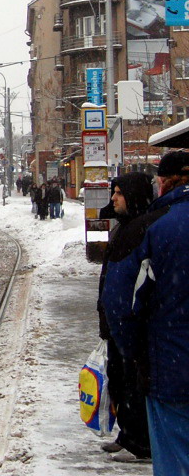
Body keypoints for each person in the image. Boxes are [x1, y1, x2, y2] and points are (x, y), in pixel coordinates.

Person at [104, 150, 189, 474]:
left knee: (175, 457)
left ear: (164, 184)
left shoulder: (154, 227)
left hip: (172, 368)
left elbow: (120, 305)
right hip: (170, 362)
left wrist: (135, 354)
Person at [95, 172, 157, 462]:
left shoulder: (142, 228)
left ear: (133, 196)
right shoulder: (124, 226)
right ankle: (126, 434)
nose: (113, 198)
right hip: (116, 322)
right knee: (119, 380)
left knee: (133, 384)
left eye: (119, 193)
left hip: (130, 323)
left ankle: (139, 442)